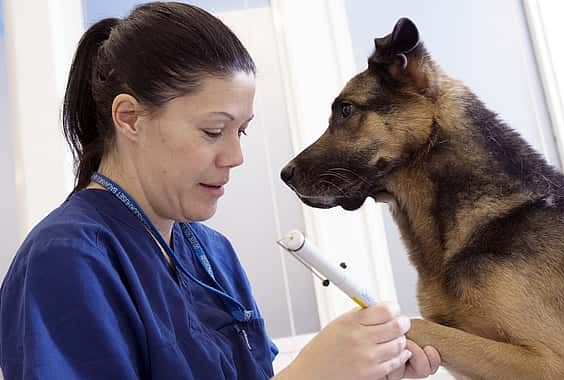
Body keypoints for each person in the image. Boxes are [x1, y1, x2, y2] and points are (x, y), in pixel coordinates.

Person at [0, 2, 441, 379]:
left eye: (242, 133)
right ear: (130, 117)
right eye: (214, 130)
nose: (235, 157)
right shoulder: (65, 258)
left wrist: (361, 368)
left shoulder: (213, 255)